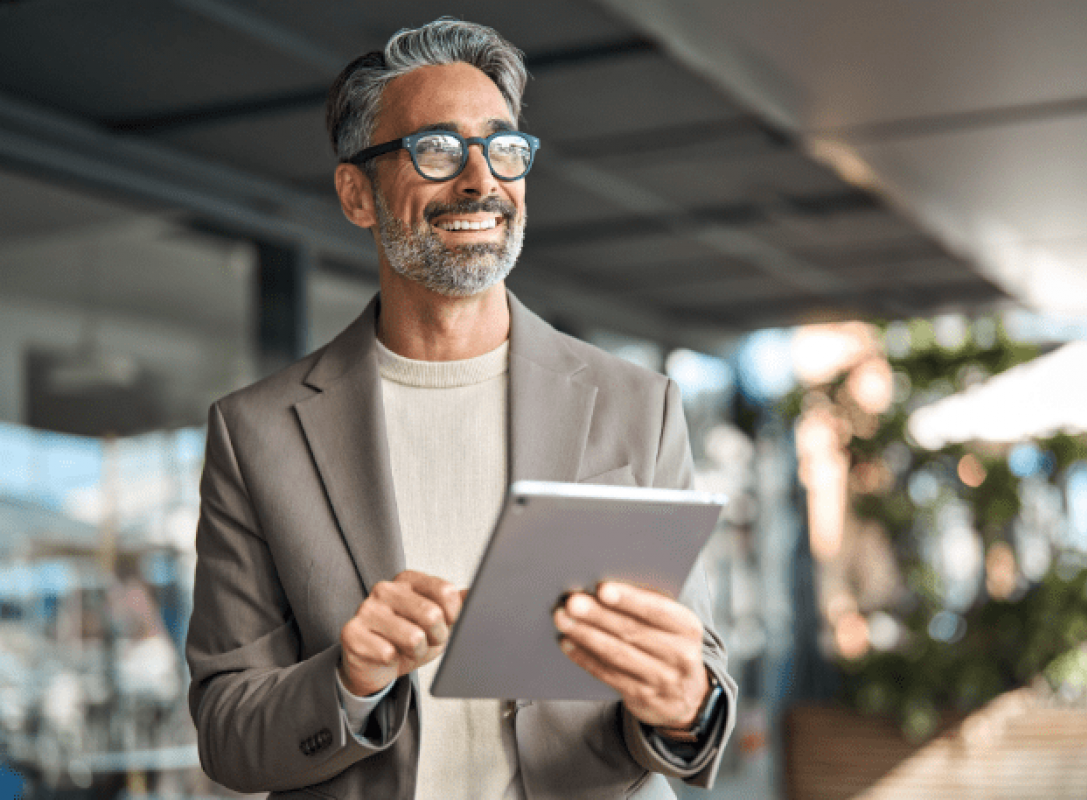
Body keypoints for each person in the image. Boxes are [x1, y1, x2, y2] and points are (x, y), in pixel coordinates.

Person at [186, 18, 735, 800]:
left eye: (502, 148)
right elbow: (227, 732)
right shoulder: (255, 435)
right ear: (357, 193)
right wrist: (350, 680)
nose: (481, 181)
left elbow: (696, 671)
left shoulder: (637, 407)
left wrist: (687, 706)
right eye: (437, 150)